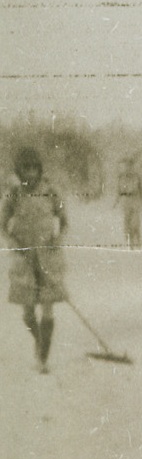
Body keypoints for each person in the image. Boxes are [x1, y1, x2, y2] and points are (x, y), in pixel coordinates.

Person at [1, 147, 69, 374]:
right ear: (19, 171)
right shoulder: (13, 193)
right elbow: (2, 224)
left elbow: (64, 221)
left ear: (40, 169)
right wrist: (11, 241)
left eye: (34, 168)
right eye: (26, 169)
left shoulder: (50, 191)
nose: (31, 173)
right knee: (28, 313)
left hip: (48, 258)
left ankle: (43, 358)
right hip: (25, 257)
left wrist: (58, 238)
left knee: (48, 310)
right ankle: (38, 340)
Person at [114, 157, 142, 249]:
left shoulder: (137, 176)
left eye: (130, 165)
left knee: (135, 222)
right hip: (126, 200)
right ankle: (130, 243)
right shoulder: (121, 176)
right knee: (127, 221)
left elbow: (141, 189)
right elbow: (119, 190)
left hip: (135, 199)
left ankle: (138, 241)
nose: (129, 167)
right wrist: (116, 201)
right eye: (127, 165)